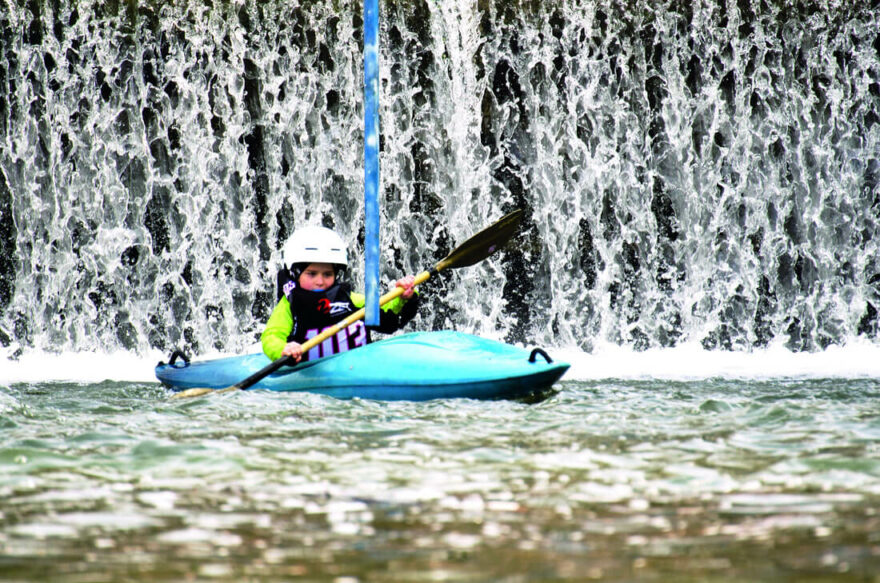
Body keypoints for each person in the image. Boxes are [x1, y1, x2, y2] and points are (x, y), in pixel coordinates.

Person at [261, 225, 419, 363]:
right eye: (312, 273)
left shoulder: (349, 300)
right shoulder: (289, 306)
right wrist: (284, 349)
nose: (320, 281)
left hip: (356, 369)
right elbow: (271, 337)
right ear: (296, 274)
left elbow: (389, 314)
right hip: (310, 375)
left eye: (327, 274)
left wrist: (404, 296)